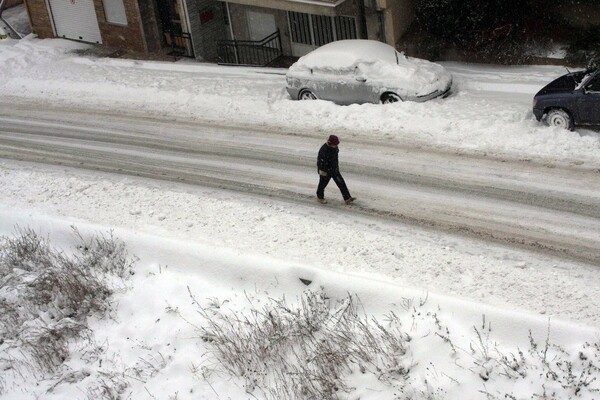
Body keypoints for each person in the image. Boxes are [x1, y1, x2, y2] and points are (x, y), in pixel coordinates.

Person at [316, 135, 355, 204]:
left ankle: (347, 198)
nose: (336, 146)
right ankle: (320, 197)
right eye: (334, 144)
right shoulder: (324, 150)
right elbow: (321, 163)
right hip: (325, 171)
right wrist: (326, 171)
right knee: (322, 185)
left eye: (336, 144)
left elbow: (335, 159)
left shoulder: (335, 148)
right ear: (330, 143)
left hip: (334, 169)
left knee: (341, 183)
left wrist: (335, 168)